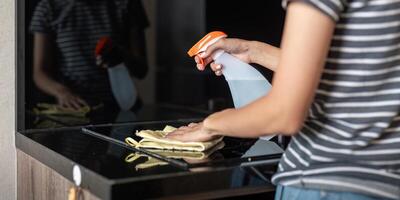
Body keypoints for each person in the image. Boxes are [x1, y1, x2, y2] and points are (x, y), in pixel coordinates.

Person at [167, 0, 400, 200]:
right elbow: (358, 77)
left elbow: (284, 114)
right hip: (386, 181)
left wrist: (210, 125)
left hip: (324, 180)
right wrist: (253, 50)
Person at [30, 0, 149, 110]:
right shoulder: (49, 7)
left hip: (122, 107)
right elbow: (40, 73)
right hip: (76, 109)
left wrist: (122, 56)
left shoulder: (127, 3)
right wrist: (62, 92)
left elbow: (141, 70)